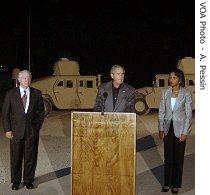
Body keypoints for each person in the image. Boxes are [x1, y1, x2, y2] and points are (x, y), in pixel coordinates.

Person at [2, 70, 45, 190]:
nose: (27, 80)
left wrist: (36, 128)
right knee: (16, 157)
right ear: (19, 80)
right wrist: (8, 130)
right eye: (24, 78)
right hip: (15, 132)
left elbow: (40, 113)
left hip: (31, 132)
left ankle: (28, 180)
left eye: (29, 78)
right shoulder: (10, 94)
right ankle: (16, 181)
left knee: (30, 157)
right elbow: (5, 113)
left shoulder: (37, 94)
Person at [158, 68, 193, 194]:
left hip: (180, 129)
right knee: (168, 156)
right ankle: (167, 183)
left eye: (173, 77)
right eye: (170, 77)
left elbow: (189, 115)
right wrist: (161, 128)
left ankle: (176, 184)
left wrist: (185, 132)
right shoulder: (165, 93)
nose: (170, 79)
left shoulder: (186, 94)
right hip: (168, 128)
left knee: (178, 157)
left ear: (179, 80)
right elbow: (161, 111)